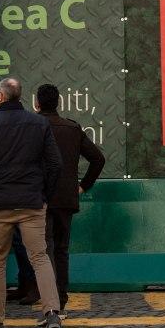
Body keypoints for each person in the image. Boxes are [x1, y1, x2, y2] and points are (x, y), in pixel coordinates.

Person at [0, 77, 65, 328]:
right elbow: (55, 164)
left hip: (0, 203)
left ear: (1, 96)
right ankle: (52, 312)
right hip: (32, 202)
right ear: (21, 96)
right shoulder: (39, 123)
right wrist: (43, 194)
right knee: (40, 257)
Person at [34, 84, 106, 315]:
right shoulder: (72, 128)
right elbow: (98, 159)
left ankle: (50, 304)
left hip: (39, 197)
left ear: (37, 103)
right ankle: (61, 301)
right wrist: (83, 186)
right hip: (66, 198)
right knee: (61, 250)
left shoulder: (32, 127)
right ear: (58, 102)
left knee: (44, 251)